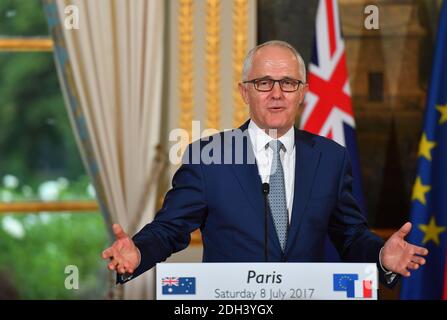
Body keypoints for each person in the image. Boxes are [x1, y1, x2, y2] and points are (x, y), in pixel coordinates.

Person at [102, 40, 428, 286]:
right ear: (245, 92)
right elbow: (170, 230)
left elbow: (351, 235)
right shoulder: (207, 157)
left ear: (303, 93)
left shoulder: (330, 157)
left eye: (288, 83)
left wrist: (381, 257)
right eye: (263, 83)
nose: (276, 93)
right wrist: (140, 252)